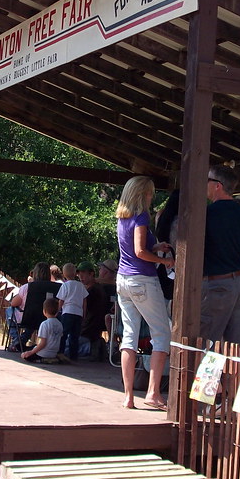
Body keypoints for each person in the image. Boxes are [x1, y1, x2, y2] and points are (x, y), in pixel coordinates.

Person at [115, 175, 173, 410]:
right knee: (162, 333)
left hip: (123, 279)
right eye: (150, 193)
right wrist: (165, 261)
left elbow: (132, 247)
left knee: (129, 335)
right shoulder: (141, 216)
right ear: (143, 194)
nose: (152, 197)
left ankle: (128, 397)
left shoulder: (122, 217)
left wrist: (154, 246)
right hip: (142, 280)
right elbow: (140, 252)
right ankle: (153, 393)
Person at [200, 165, 240, 344]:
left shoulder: (204, 214)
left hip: (215, 286)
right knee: (237, 346)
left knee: (205, 343)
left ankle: (201, 373)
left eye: (208, 180)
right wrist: (233, 258)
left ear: (217, 185)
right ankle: (235, 373)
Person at [10, 262, 60, 351]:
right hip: (48, 318)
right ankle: (21, 340)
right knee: (34, 319)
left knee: (10, 310)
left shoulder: (28, 287)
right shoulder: (57, 287)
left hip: (29, 317)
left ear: (35, 273)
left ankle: (16, 339)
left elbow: (13, 303)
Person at [55, 263, 88, 360]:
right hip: (78, 313)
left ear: (64, 274)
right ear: (75, 273)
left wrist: (57, 310)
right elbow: (84, 301)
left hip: (68, 312)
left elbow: (61, 300)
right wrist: (84, 313)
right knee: (75, 335)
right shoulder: (81, 286)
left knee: (63, 333)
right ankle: (74, 355)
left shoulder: (65, 285)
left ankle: (60, 352)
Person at [78, 261, 108, 361]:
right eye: (79, 274)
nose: (81, 277)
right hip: (93, 330)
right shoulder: (97, 288)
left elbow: (84, 312)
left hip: (87, 331)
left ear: (91, 274)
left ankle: (92, 348)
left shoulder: (92, 291)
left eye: (83, 274)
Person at [21, 297, 64, 363]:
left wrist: (31, 352)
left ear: (44, 311)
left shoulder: (45, 324)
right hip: (54, 353)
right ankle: (53, 359)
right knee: (33, 348)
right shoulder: (60, 324)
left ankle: (41, 360)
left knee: (24, 355)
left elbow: (43, 343)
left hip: (44, 353)